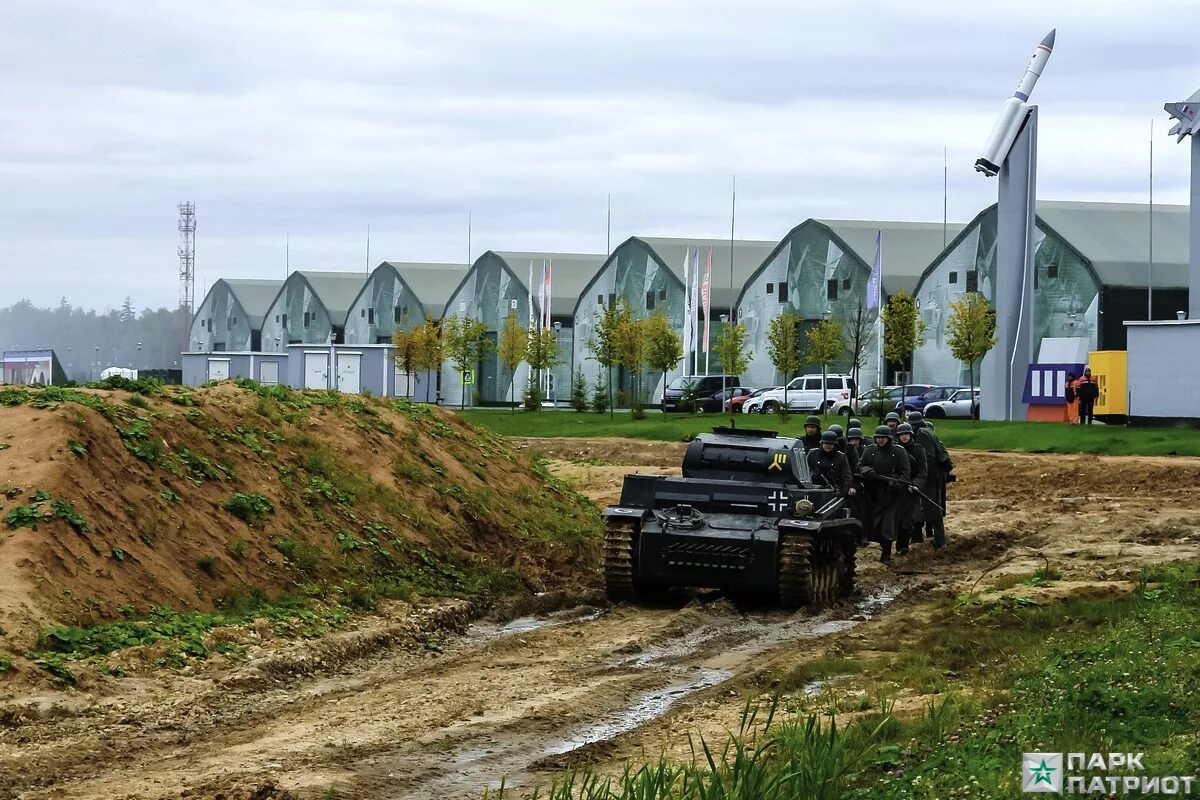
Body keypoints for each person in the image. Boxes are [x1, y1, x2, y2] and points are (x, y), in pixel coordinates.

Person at [856, 425, 910, 563]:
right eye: (878, 437)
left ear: (889, 438)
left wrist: (897, 483)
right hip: (873, 492)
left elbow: (905, 472)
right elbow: (860, 465)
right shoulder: (870, 451)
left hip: (890, 494)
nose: (880, 440)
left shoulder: (898, 451)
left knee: (887, 524)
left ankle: (886, 553)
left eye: (883, 438)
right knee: (872, 523)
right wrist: (869, 472)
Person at [908, 411, 951, 550]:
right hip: (932, 475)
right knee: (930, 507)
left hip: (929, 477)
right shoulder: (927, 431)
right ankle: (932, 539)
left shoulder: (922, 434)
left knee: (932, 508)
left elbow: (928, 457)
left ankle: (939, 541)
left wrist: (919, 473)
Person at [894, 423, 927, 555]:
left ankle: (903, 546)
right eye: (902, 435)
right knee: (896, 519)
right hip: (897, 488)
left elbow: (922, 472)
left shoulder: (919, 450)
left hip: (911, 490)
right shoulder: (894, 450)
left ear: (911, 435)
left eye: (906, 434)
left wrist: (915, 485)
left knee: (908, 520)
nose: (904, 437)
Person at [807, 431, 854, 496]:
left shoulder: (841, 457)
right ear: (822, 443)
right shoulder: (813, 454)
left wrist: (844, 491)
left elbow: (846, 476)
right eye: (826, 444)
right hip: (814, 488)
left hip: (833, 490)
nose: (828, 446)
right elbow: (805, 470)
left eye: (831, 444)